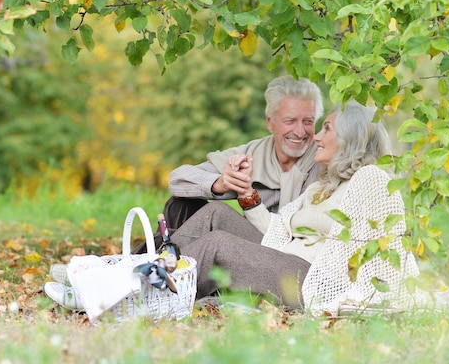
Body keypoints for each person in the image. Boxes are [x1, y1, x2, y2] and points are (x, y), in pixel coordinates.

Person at [169, 101, 421, 313]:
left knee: (218, 245)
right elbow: (275, 232)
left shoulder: (371, 178)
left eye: (327, 128)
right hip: (284, 259)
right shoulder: (322, 187)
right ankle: (151, 264)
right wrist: (245, 193)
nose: (317, 137)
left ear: (349, 138)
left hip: (312, 280)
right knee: (216, 213)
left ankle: (156, 292)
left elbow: (386, 246)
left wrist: (360, 298)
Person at [130, 75, 325, 255]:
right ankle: (160, 265)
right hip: (249, 238)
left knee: (216, 214)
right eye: (290, 121)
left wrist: (248, 195)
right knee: (179, 204)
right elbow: (178, 179)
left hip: (284, 252)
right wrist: (220, 184)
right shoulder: (254, 152)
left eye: (308, 121)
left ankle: (156, 265)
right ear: (270, 122)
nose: (300, 132)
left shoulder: (323, 159)